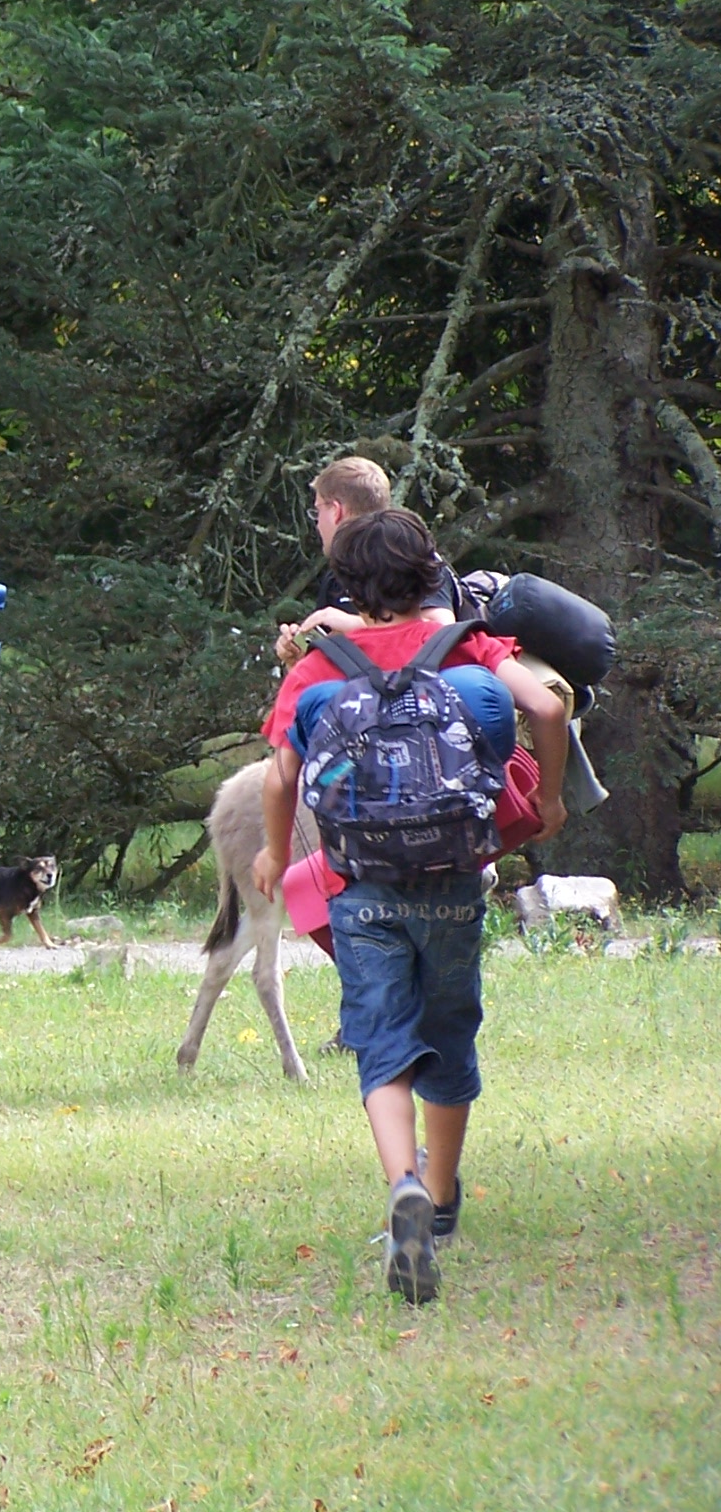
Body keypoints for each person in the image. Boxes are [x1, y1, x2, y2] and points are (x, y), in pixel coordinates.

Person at [252, 508, 566, 1303]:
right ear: (430, 575)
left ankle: (403, 1186)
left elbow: (281, 776)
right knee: (450, 1030)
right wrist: (551, 799)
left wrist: (270, 850)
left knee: (381, 1038)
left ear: (349, 587)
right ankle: (446, 1196)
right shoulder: (465, 645)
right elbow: (552, 708)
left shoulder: (321, 664)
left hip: (362, 885)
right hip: (454, 880)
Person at [277, 456, 462, 668]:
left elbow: (444, 636)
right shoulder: (337, 576)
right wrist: (298, 658)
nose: (317, 524)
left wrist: (356, 625)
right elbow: (330, 669)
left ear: (336, 511)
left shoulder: (411, 559)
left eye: (317, 511)